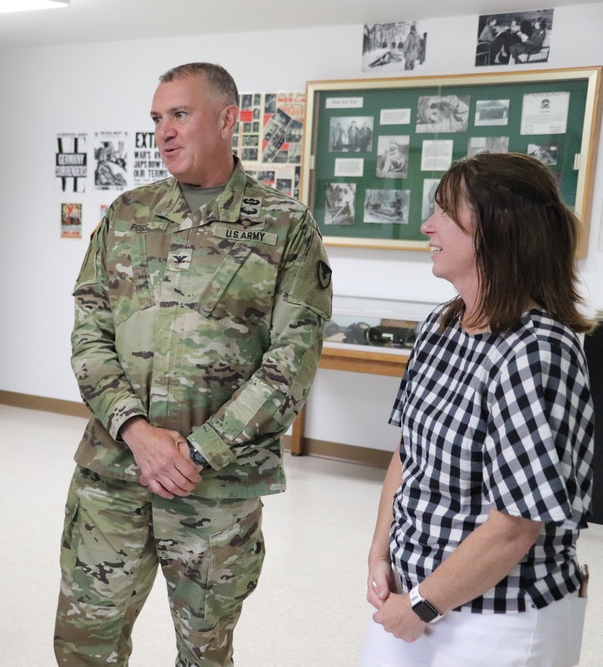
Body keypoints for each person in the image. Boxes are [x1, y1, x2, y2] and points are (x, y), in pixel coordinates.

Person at [54, 62, 333, 666]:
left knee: (204, 654)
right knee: (84, 648)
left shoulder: (285, 227)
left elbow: (292, 362)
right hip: (113, 475)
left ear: (228, 120)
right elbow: (89, 331)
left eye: (180, 114)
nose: (164, 132)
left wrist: (197, 450)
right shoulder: (127, 215)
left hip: (216, 491)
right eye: (157, 119)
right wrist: (137, 432)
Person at [361, 152, 594, 667]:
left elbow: (515, 525)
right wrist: (381, 555)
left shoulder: (536, 350)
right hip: (413, 594)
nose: (427, 226)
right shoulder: (441, 326)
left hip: (500, 615)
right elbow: (408, 455)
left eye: (443, 212)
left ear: (494, 230)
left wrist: (422, 605)